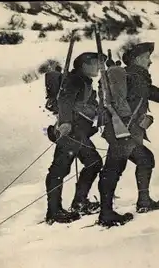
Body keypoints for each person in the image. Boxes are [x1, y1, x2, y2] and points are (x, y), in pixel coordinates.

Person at [98, 42, 159, 227]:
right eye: (146, 57)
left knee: (129, 163)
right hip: (123, 132)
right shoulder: (136, 76)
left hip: (119, 130)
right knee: (122, 166)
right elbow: (156, 94)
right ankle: (110, 212)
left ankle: (137, 203)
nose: (150, 61)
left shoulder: (130, 76)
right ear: (137, 59)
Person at [44, 52, 106, 224]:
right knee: (59, 169)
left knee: (93, 163)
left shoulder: (84, 81)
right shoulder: (75, 80)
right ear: (84, 65)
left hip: (78, 132)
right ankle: (54, 211)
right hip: (71, 131)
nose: (99, 67)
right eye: (95, 63)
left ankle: (79, 202)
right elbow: (65, 101)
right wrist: (65, 122)